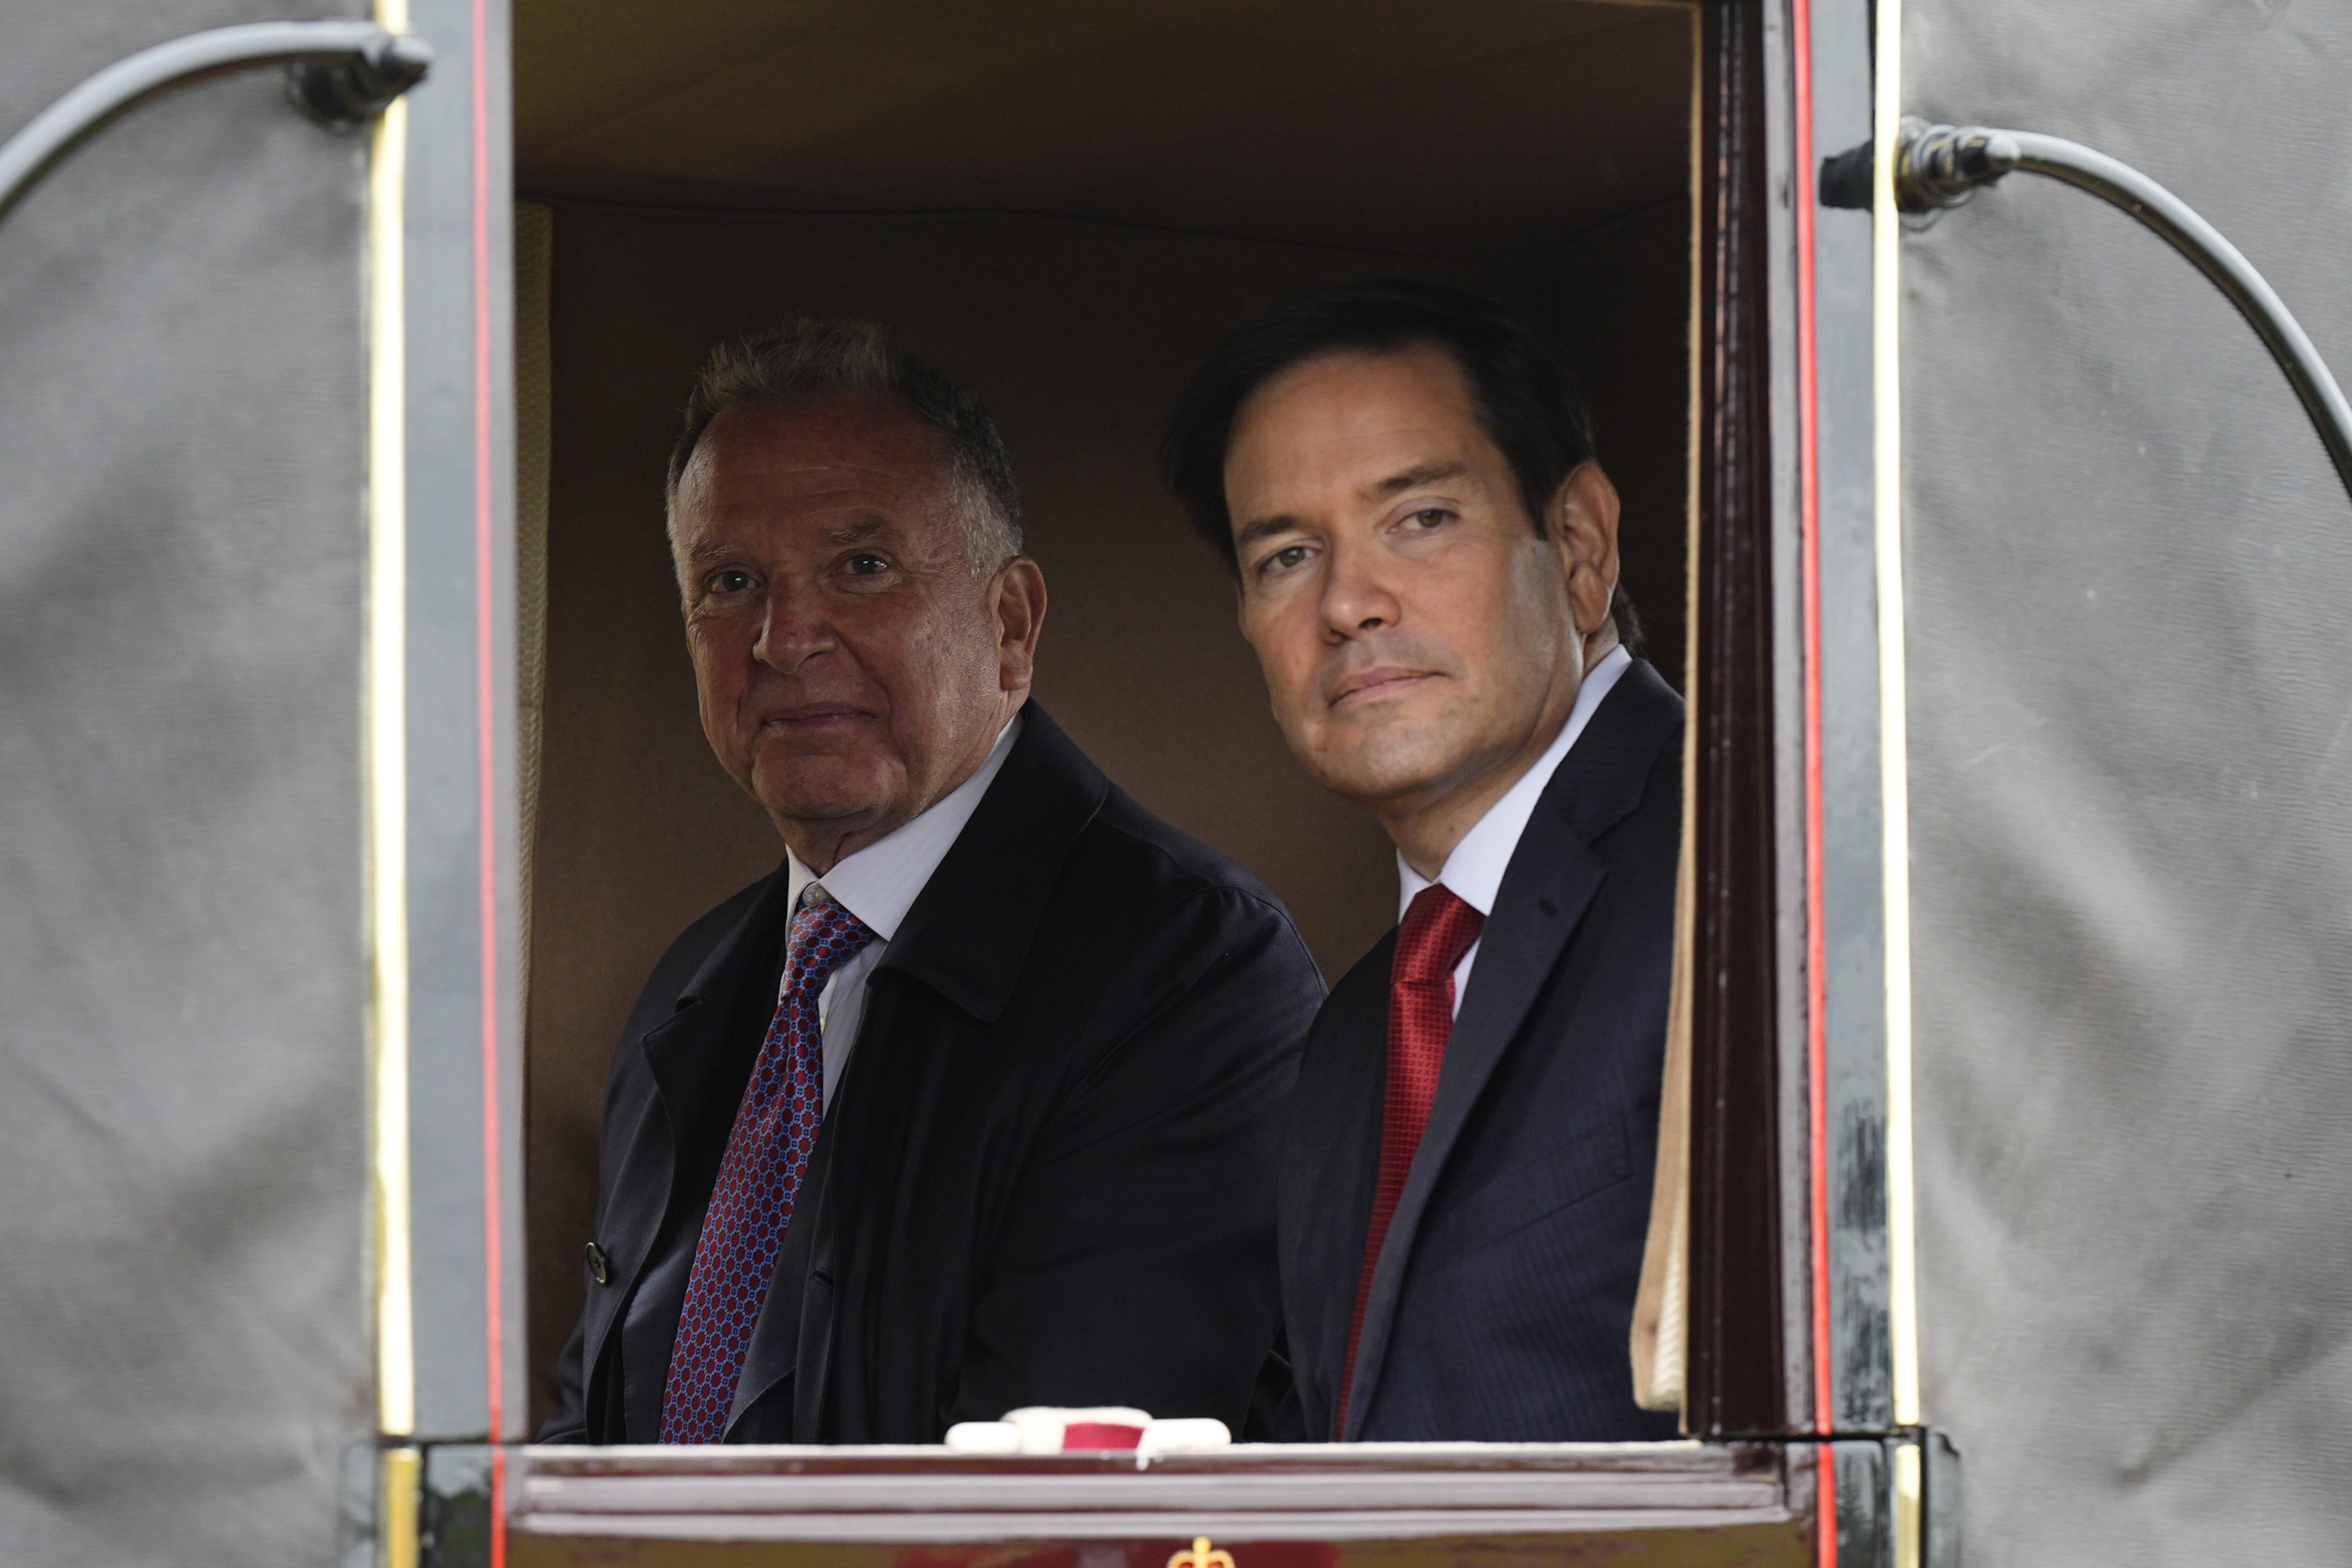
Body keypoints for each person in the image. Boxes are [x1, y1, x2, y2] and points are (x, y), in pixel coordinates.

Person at [543, 318, 1323, 1445]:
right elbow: (597, 1436)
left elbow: (1050, 1518)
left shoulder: (1191, 977)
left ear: (1011, 627)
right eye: (730, 581)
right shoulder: (696, 992)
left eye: (862, 568)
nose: (782, 636)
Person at [1161, 280, 1683, 1443]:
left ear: (1582, 546)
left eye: (1420, 520)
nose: (1349, 603)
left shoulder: (1743, 879)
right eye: (1289, 555)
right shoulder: (1355, 1039)